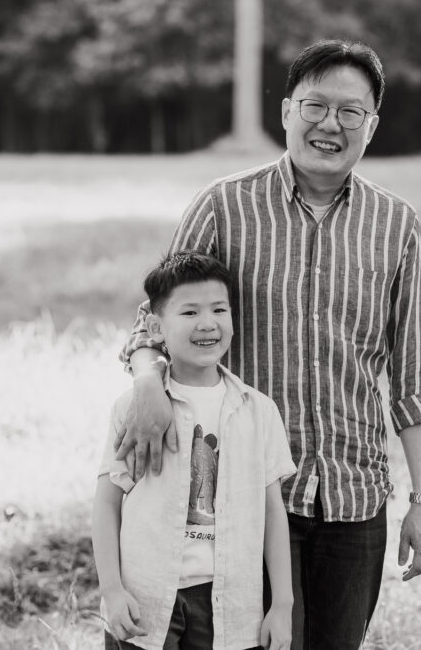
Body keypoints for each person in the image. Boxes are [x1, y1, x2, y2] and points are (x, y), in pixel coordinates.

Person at [118, 39, 421, 650]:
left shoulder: (398, 226)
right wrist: (146, 383)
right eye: (315, 105)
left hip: (354, 494)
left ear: (371, 127)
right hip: (245, 492)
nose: (330, 124)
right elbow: (155, 321)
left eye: (351, 112)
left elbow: (412, 379)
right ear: (287, 111)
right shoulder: (225, 206)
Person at [94, 251, 297, 650]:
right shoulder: (134, 409)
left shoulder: (258, 411)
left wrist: (283, 605)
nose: (208, 324)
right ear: (155, 325)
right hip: (147, 598)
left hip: (229, 603)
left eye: (219, 309)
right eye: (189, 313)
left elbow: (273, 511)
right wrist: (112, 591)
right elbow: (106, 504)